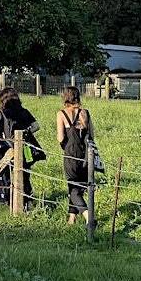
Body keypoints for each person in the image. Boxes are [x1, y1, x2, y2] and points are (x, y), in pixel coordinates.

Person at [0, 87, 45, 210]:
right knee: (25, 174)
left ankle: (10, 199)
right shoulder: (24, 111)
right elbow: (36, 126)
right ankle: (27, 200)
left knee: (7, 174)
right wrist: (26, 132)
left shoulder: (3, 113)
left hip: (8, 148)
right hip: (26, 149)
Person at [56, 86, 93, 225]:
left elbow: (60, 137)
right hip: (86, 154)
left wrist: (65, 145)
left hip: (71, 153)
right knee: (79, 187)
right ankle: (72, 218)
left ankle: (88, 215)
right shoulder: (85, 113)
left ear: (65, 97)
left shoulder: (61, 114)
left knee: (72, 187)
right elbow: (91, 134)